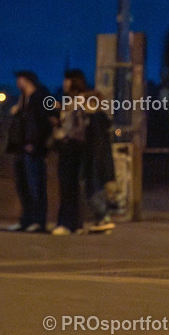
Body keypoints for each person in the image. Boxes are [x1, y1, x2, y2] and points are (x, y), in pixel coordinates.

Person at [5, 71, 53, 233]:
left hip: (34, 148)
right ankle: (26, 220)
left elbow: (46, 122)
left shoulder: (40, 96)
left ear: (27, 80)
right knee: (23, 186)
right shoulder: (23, 99)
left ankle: (39, 221)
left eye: (20, 79)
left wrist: (37, 142)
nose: (18, 83)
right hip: (20, 147)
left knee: (36, 186)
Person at [52, 69, 88, 235]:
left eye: (67, 80)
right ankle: (74, 223)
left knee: (69, 186)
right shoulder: (71, 101)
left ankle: (67, 223)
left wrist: (62, 134)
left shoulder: (79, 101)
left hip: (72, 147)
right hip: (70, 147)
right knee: (70, 186)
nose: (64, 83)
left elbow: (80, 128)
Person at [80, 87, 117, 232]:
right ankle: (102, 220)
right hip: (99, 162)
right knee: (97, 190)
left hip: (95, 162)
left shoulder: (95, 120)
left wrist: (93, 163)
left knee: (94, 191)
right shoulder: (99, 119)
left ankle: (102, 218)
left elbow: (95, 145)